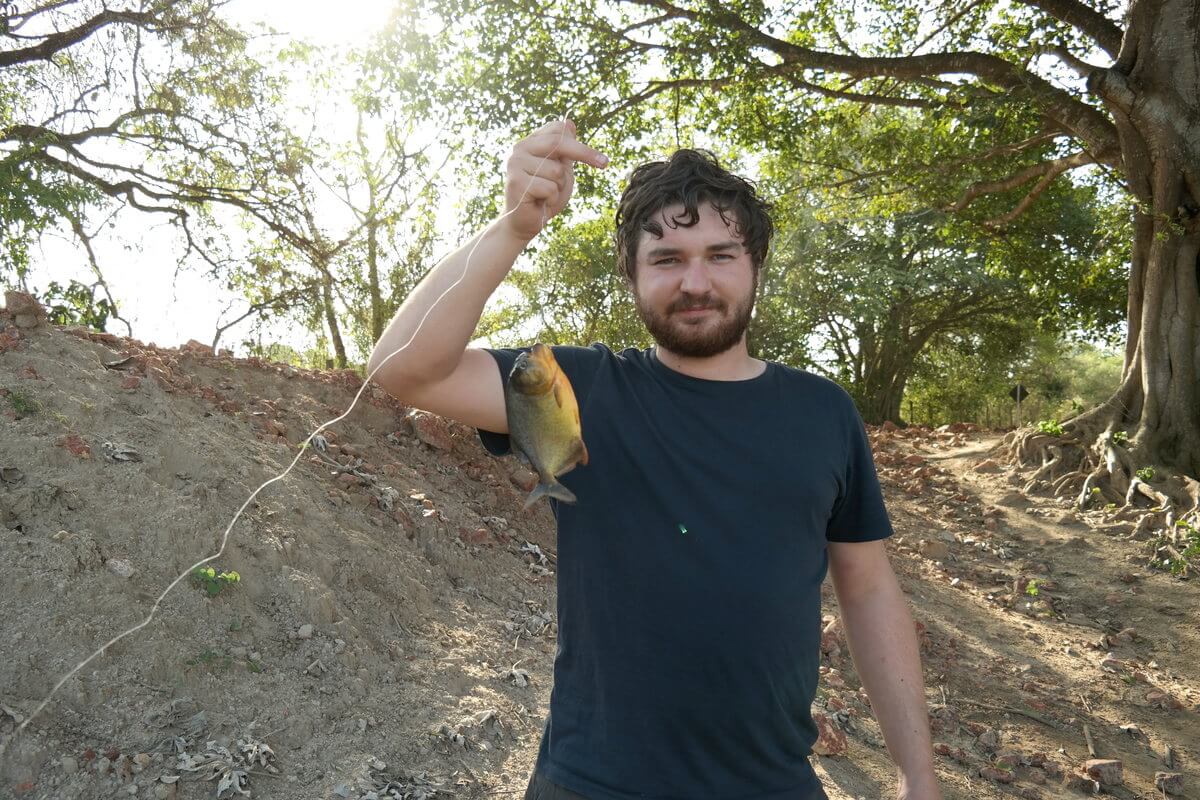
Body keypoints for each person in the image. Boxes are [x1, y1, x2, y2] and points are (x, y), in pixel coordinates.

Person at [367, 119, 942, 800]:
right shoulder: (576, 388)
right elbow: (405, 370)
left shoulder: (825, 412)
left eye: (720, 255)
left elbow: (869, 588)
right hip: (590, 784)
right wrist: (513, 227)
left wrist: (918, 778)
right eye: (666, 259)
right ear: (633, 277)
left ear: (756, 264)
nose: (694, 281)